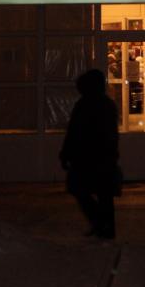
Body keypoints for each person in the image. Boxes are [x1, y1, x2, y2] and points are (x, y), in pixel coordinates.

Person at [60, 69, 120, 239]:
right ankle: (105, 227)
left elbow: (74, 132)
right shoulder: (106, 104)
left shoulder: (84, 104)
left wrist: (66, 154)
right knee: (104, 194)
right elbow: (111, 133)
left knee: (81, 189)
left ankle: (100, 223)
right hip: (100, 156)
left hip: (86, 156)